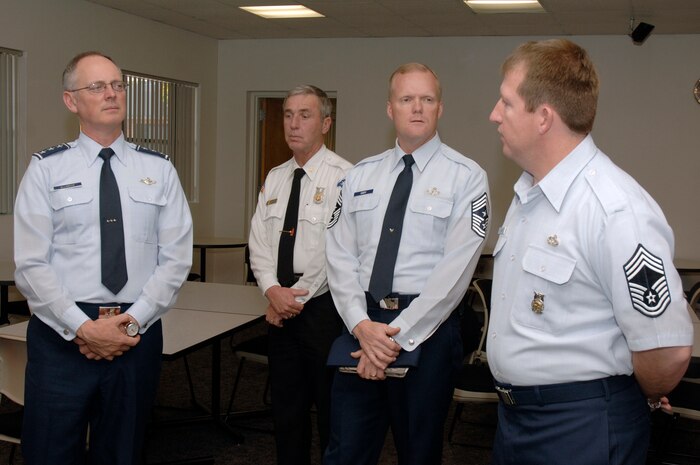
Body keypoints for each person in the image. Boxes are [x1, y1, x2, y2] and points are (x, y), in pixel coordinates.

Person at [487, 38, 693, 465]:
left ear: (543, 117)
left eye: (506, 103)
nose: (494, 115)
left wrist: (637, 394)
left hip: (582, 427)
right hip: (516, 421)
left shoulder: (615, 210)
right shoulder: (529, 195)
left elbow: (667, 350)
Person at [14, 51, 193, 464]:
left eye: (117, 85)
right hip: (61, 336)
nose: (111, 94)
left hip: (137, 330)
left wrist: (130, 323)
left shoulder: (160, 169)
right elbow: (31, 263)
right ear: (71, 101)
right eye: (96, 86)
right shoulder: (46, 170)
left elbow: (176, 258)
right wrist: (83, 328)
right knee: (50, 452)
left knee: (123, 451)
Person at [324, 63, 490, 465]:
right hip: (361, 322)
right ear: (390, 109)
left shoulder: (467, 177)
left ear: (440, 108)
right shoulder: (359, 175)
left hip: (427, 330)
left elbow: (455, 273)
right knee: (345, 450)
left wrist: (394, 338)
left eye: (427, 99)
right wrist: (362, 327)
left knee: (418, 452)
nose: (417, 107)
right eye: (406, 99)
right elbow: (339, 255)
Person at [248, 85, 352, 465]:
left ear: (325, 122)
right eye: (288, 114)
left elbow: (337, 250)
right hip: (280, 308)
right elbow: (258, 240)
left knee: (330, 409)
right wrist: (272, 290)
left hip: (322, 311)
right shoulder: (276, 177)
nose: (293, 123)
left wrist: (295, 297)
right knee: (286, 411)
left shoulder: (345, 177)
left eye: (305, 115)